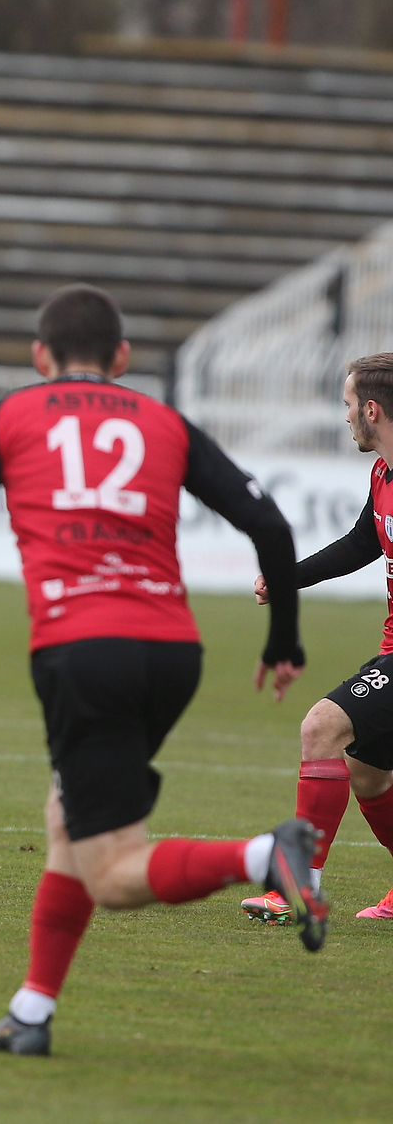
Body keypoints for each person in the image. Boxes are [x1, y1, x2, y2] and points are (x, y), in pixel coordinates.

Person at [0, 283, 320, 1058]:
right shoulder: (165, 422)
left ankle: (264, 855)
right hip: (173, 652)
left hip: (83, 652)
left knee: (113, 872)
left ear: (41, 356)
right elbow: (269, 522)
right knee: (69, 815)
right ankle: (31, 1011)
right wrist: (283, 641)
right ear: (122, 356)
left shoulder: (1, 418)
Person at [240, 352, 393, 925]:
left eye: (348, 404)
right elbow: (362, 542)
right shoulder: (383, 474)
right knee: (368, 773)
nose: (344, 415)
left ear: (371, 410)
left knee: (322, 727)